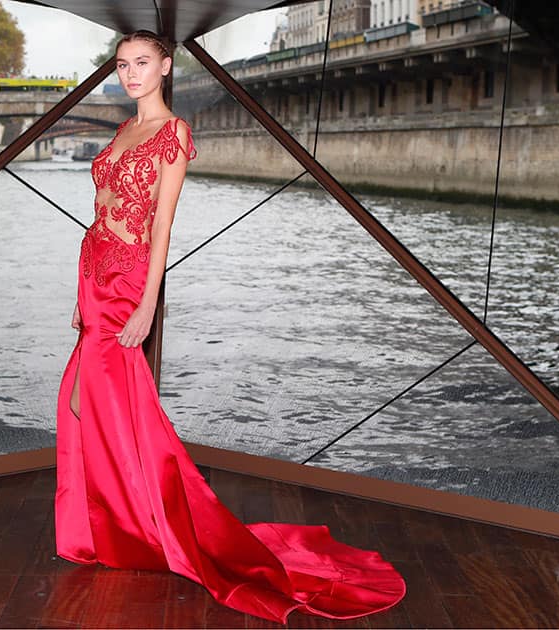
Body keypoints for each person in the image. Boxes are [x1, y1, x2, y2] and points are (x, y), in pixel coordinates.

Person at [54, 30, 406, 623]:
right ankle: (115, 526)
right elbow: (98, 217)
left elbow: (162, 227)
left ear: (166, 66)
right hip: (94, 279)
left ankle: (146, 528)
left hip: (128, 285)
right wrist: (78, 294)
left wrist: (146, 303)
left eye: (143, 63)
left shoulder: (173, 133)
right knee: (84, 406)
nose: (131, 73)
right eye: (122, 65)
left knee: (113, 406)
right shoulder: (121, 131)